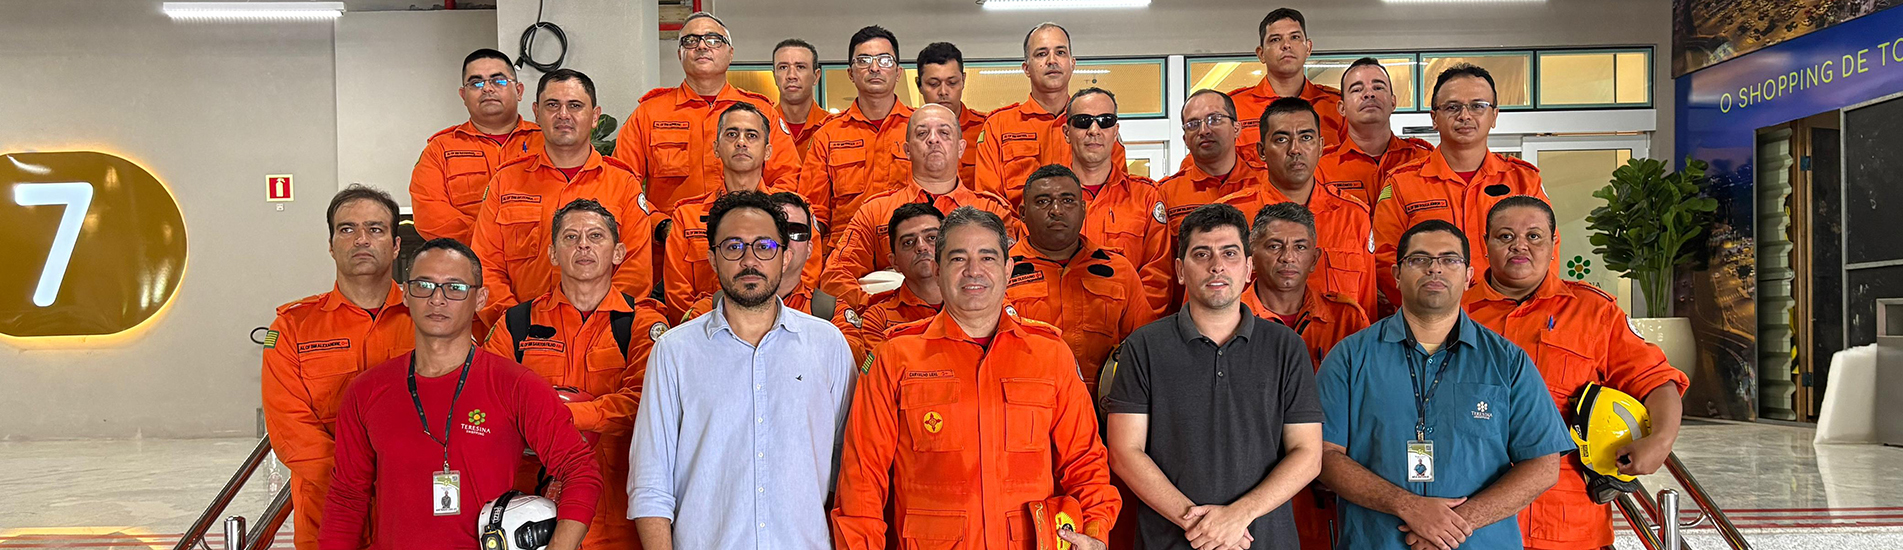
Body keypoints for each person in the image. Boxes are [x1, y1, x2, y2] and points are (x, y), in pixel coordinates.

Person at [833, 206, 1120, 550]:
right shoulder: (894, 357)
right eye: (957, 259)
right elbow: (862, 477)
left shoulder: (1050, 355)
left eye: (987, 257)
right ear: (938, 272)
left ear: (1008, 269)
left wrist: (1094, 532)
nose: (973, 271)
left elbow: (1085, 460)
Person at [321, 239, 603, 550]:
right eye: (424, 285)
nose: (437, 299)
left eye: (455, 288)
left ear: (480, 298)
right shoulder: (367, 390)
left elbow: (580, 469)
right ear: (405, 294)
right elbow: (347, 497)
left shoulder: (516, 385)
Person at [1317, 220, 1573, 550]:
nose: (1434, 269)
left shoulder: (1507, 361)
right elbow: (1323, 455)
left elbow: (1542, 465)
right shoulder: (1350, 357)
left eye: (1449, 259)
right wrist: (1408, 507)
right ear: (1396, 274)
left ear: (1468, 275)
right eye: (1419, 259)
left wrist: (1454, 524)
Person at [628, 191, 856, 550]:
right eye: (733, 246)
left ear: (785, 255)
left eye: (764, 245)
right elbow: (650, 482)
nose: (750, 260)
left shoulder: (828, 346)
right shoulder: (674, 352)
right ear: (713, 258)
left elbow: (849, 470)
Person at [1462, 196, 1688, 550]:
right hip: (1471, 517)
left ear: (1554, 245)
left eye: (1534, 236)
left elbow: (1657, 381)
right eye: (1505, 236)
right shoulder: (1454, 314)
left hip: (1566, 520)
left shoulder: (1594, 312)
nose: (1520, 245)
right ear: (1485, 244)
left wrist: (1659, 441)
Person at [1104, 203, 1323, 550]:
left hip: (1261, 540)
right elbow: (1124, 452)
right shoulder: (1144, 347)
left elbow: (1307, 454)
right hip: (1171, 540)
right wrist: (1202, 525)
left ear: (1249, 267)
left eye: (1230, 253)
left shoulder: (1286, 347)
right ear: (1179, 269)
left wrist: (1238, 517)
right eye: (1202, 253)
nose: (1217, 265)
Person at [481, 199, 670, 550]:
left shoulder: (643, 325)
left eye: (595, 236)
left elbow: (645, 404)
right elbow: (485, 403)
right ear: (553, 253)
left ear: (619, 252)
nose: (583, 244)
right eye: (571, 236)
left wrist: (556, 415)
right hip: (527, 520)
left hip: (617, 515)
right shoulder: (515, 325)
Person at [263, 186, 415, 550]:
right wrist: (359, 483)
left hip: (412, 513)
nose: (361, 239)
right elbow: (290, 430)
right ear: (331, 245)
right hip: (327, 515)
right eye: (347, 229)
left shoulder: (429, 317)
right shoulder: (292, 327)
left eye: (375, 229)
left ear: (395, 245)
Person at [473, 69, 654, 333]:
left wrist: (592, 329)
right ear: (536, 113)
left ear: (594, 117)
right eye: (552, 105)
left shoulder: (623, 184)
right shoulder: (505, 182)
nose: (563, 115)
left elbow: (635, 272)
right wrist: (516, 326)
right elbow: (485, 266)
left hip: (604, 341)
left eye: (575, 106)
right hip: (521, 341)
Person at [1240, 202, 1371, 550]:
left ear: (1315, 258)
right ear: (1251, 257)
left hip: (1329, 490)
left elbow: (1370, 407)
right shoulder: (1228, 319)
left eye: (1300, 247)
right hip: (1253, 486)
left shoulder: (1348, 321)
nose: (1288, 257)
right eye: (1274, 246)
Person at [1374, 64, 1548, 308]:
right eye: (1452, 107)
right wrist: (1431, 313)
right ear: (1434, 118)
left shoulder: (1524, 181)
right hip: (1430, 324)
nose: (1465, 116)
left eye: (1478, 106)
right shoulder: (1403, 183)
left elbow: (1545, 252)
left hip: (1508, 321)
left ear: (1494, 116)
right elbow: (1385, 260)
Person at [818, 104, 1017, 311]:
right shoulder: (875, 211)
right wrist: (880, 305)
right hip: (894, 328)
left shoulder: (991, 210)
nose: (933, 139)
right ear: (907, 150)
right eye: (922, 133)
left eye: (944, 132)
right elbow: (835, 275)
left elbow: (1012, 277)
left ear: (960, 148)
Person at [613, 12, 798, 217]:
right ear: (679, 54)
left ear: (730, 53)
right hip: (669, 241)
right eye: (690, 41)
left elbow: (787, 178)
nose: (701, 46)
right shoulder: (649, 113)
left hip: (747, 241)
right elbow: (623, 183)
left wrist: (760, 219)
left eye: (713, 40)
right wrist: (659, 225)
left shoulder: (760, 112)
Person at [1219, 97, 1377, 317]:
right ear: (1262, 151)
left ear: (1320, 146)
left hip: (1336, 348)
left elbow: (1366, 308)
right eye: (1282, 139)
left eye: (1306, 137)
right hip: (1252, 347)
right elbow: (1204, 305)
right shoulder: (1230, 217)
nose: (1295, 149)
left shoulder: (1352, 215)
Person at [1006, 164, 1155, 396]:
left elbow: (1143, 350)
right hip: (1027, 411)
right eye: (1043, 201)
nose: (1056, 210)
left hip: (1104, 412)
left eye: (1067, 201)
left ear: (1083, 209)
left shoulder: (1118, 270)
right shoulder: (1000, 272)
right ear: (1023, 213)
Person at [661, 103, 804, 320]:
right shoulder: (686, 217)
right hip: (705, 336)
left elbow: (803, 283)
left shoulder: (794, 214)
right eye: (732, 134)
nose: (741, 142)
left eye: (752, 135)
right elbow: (678, 295)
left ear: (767, 151)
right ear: (716, 148)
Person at [976, 22, 1124, 208]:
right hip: (1021, 235)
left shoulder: (1100, 127)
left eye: (1060, 52)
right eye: (1041, 54)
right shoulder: (998, 126)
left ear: (1073, 63)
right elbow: (989, 202)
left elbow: (1117, 194)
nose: (1052, 60)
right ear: (1026, 68)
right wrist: (1029, 234)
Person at [410, 49, 542, 243]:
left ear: (519, 91)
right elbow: (429, 217)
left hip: (538, 264)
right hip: (468, 264)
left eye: (499, 80)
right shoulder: (440, 149)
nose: (487, 88)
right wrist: (489, 241)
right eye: (476, 83)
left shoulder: (547, 142)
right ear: (463, 95)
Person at [798, 25, 916, 239]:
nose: (874, 68)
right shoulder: (828, 135)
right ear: (851, 73)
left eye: (885, 60)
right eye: (863, 60)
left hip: (912, 251)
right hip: (846, 255)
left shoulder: (921, 129)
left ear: (898, 72)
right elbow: (813, 213)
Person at [1190, 8, 1342, 172]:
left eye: (1295, 37)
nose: (1286, 45)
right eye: (1275, 39)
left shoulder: (1337, 107)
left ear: (1308, 48)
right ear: (1261, 54)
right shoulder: (1232, 108)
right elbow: (1199, 164)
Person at [1064, 87, 1171, 315]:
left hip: (1129, 339)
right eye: (1083, 121)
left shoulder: (1146, 197)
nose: (1094, 130)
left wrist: (1136, 343)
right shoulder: (1046, 200)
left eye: (1105, 120)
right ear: (1066, 132)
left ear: (1116, 130)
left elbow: (1157, 280)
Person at [680, 192, 832, 322]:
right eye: (765, 241)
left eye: (796, 231)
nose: (785, 239)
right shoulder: (705, 312)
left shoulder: (830, 313)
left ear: (809, 249)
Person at [840, 202, 946, 367]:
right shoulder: (878, 319)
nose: (921, 246)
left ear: (951, 247)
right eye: (908, 242)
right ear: (894, 262)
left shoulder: (978, 302)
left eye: (931, 238)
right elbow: (879, 381)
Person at [1318, 57, 1432, 209]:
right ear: (1342, 108)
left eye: (1378, 88)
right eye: (1357, 89)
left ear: (1393, 102)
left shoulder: (1425, 161)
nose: (1369, 94)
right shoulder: (1321, 169)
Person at [1157, 90, 1261, 237]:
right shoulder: (1165, 194)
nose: (1204, 130)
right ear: (1185, 139)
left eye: (1215, 119)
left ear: (1236, 128)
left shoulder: (1267, 182)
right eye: (1193, 124)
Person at [916, 41, 991, 186]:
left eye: (952, 82)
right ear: (919, 85)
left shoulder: (986, 129)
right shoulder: (908, 131)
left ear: (963, 80)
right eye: (933, 84)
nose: (943, 92)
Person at [770, 38, 828, 159]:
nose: (791, 75)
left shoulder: (833, 127)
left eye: (800, 67)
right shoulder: (761, 128)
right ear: (774, 76)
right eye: (783, 67)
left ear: (816, 76)